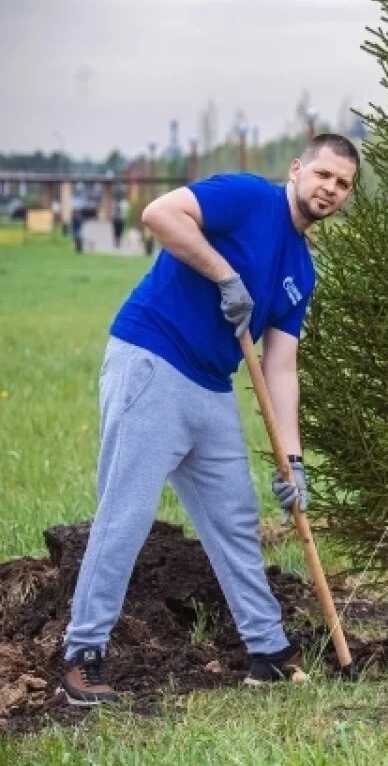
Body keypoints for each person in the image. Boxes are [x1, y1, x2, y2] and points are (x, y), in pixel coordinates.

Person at [59, 134, 359, 705]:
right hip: (153, 358)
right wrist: (225, 275)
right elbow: (159, 214)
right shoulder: (247, 196)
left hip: (211, 386)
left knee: (236, 518)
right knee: (126, 512)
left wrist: (291, 461)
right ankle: (83, 656)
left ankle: (267, 651)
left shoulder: (302, 268)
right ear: (297, 169)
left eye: (343, 185)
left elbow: (281, 368)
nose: (330, 189)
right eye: (323, 174)